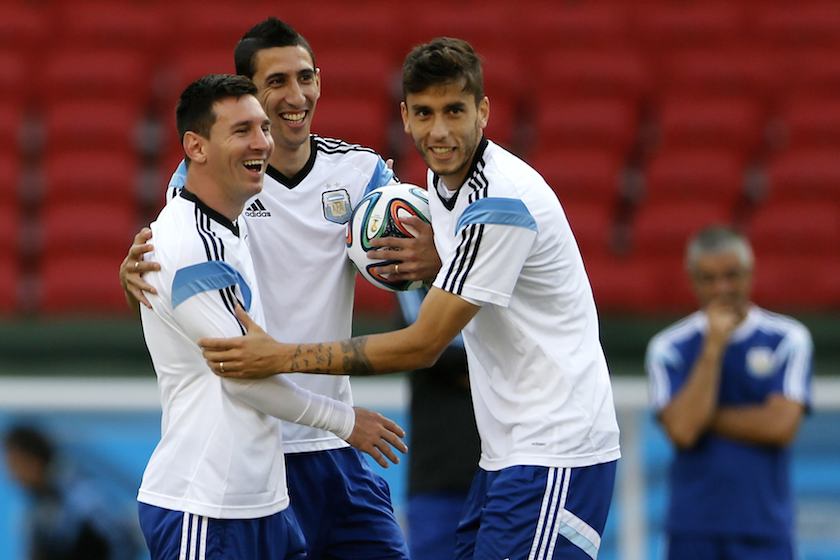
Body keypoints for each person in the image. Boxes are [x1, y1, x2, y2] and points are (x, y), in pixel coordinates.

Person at [201, 37, 622, 560]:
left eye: (455, 111)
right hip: (507, 455)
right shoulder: (440, 189)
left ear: (484, 111)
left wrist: (280, 355)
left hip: (557, 450)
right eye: (425, 113)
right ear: (405, 116)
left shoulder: (499, 198)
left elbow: (423, 345)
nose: (439, 131)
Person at [120, 18, 437, 559]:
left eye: (306, 77)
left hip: (332, 446)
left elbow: (419, 258)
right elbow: (168, 278)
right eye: (277, 84)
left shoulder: (361, 175)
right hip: (255, 448)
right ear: (248, 93)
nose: (296, 97)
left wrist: (433, 257)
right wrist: (130, 281)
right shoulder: (204, 187)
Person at [645, 226, 812, 560]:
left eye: (732, 275)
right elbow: (683, 431)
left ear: (750, 274)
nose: (722, 288)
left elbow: (780, 427)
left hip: (765, 528)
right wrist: (713, 347)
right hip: (692, 528)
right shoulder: (668, 348)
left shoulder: (787, 338)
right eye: (709, 278)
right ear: (692, 280)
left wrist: (702, 414)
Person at [396, 288, 481, 560]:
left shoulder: (506, 270)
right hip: (438, 477)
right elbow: (425, 348)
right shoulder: (411, 286)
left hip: (507, 474)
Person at [3, 424, 138, 560]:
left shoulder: (80, 495)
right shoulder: (39, 505)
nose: (12, 475)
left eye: (15, 464)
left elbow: (121, 539)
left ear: (33, 460)